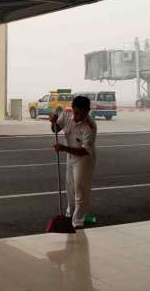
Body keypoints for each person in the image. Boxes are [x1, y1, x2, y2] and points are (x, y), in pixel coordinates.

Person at [50, 96, 96, 229]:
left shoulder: (90, 126)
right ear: (72, 108)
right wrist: (53, 122)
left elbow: (84, 150)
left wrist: (64, 148)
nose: (78, 116)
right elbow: (55, 129)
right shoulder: (66, 113)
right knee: (70, 188)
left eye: (83, 113)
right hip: (70, 156)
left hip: (84, 159)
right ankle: (70, 215)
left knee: (80, 189)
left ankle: (78, 221)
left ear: (88, 111)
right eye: (76, 112)